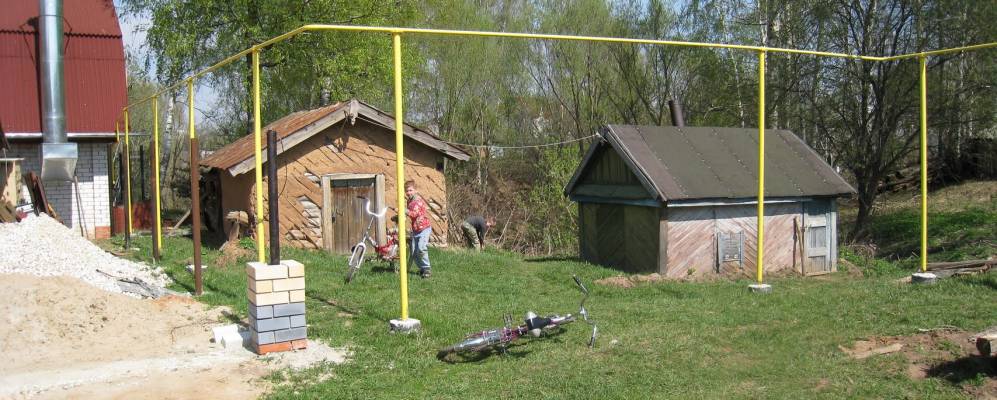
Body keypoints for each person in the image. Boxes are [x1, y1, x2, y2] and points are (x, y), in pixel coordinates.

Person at [404, 180, 433, 279]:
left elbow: (414, 214)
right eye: (407, 191)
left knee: (421, 248)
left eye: (411, 190)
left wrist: (404, 211)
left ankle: (427, 269)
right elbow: (408, 213)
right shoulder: (409, 201)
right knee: (414, 253)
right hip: (416, 230)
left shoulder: (418, 201)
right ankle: (422, 269)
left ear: (415, 190)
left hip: (424, 229)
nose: (409, 193)